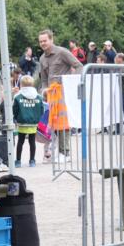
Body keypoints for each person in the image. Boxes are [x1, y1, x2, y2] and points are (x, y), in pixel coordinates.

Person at [38, 29, 83, 158]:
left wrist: (72, 82)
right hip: (52, 94)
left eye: (45, 40)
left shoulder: (62, 52)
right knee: (53, 123)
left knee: (63, 122)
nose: (43, 43)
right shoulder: (42, 58)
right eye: (41, 41)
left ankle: (65, 153)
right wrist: (44, 90)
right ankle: (57, 151)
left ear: (51, 40)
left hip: (64, 92)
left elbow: (79, 65)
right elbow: (44, 79)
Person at [13, 75, 44, 168]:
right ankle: (32, 160)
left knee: (20, 141)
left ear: (21, 84)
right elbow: (42, 109)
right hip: (34, 123)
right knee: (32, 142)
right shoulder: (38, 96)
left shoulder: (18, 96)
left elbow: (14, 109)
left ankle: (18, 161)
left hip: (22, 122)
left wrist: (15, 118)